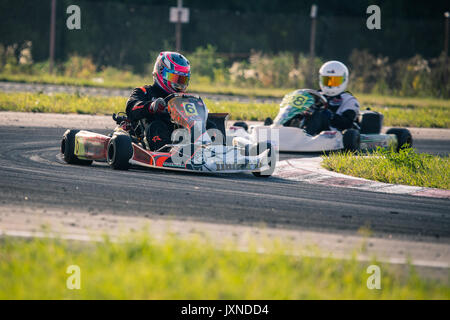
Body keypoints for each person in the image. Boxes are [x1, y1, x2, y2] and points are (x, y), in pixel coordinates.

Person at [124, 51, 191, 149]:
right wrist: (151, 106)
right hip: (151, 134)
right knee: (157, 126)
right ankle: (165, 151)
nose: (179, 84)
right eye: (174, 78)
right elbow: (131, 108)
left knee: (210, 125)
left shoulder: (184, 99)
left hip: (179, 135)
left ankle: (212, 149)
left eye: (182, 80)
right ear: (161, 72)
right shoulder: (144, 91)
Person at [302, 60, 360, 136]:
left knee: (320, 114)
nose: (330, 85)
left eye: (335, 81)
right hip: (311, 129)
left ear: (344, 80)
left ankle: (305, 137)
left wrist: (331, 116)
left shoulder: (349, 100)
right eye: (327, 81)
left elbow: (347, 123)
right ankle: (285, 132)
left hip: (334, 134)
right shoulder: (315, 95)